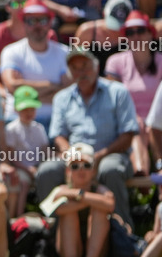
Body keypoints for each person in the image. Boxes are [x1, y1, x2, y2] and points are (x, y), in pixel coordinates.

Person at [37, 46, 139, 227]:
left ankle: (122, 229)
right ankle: (50, 228)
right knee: (48, 170)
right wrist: (72, 156)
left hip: (110, 154)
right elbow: (58, 136)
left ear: (96, 67)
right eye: (75, 68)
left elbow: (128, 135)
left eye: (84, 66)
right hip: (74, 157)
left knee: (110, 168)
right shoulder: (62, 97)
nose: (81, 72)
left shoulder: (118, 92)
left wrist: (99, 156)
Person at [105, 10, 162, 176]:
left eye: (140, 30)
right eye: (130, 32)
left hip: (159, 123)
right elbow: (113, 100)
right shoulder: (115, 62)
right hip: (128, 123)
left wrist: (152, 122)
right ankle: (142, 174)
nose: (136, 36)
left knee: (150, 127)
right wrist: (134, 118)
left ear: (150, 34)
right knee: (136, 127)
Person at [0, 0, 72, 126]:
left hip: (56, 122)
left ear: (50, 22)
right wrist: (52, 86)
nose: (37, 25)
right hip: (18, 122)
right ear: (24, 23)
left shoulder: (64, 52)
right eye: (31, 21)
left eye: (42, 20)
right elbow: (12, 86)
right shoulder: (11, 51)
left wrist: (26, 95)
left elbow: (68, 92)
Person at [41, 143, 114, 257]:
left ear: (93, 170)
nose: (81, 170)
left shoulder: (99, 189)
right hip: (67, 248)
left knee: (100, 212)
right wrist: (91, 200)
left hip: (98, 250)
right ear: (68, 171)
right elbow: (58, 209)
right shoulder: (63, 189)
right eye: (75, 166)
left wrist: (78, 195)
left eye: (86, 165)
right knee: (69, 213)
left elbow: (110, 204)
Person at [3, 86, 51, 219]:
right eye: (25, 109)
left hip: (38, 167)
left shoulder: (39, 128)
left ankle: (46, 214)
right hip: (21, 167)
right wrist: (28, 169)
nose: (28, 113)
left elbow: (45, 151)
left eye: (31, 109)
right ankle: (19, 217)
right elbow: (11, 156)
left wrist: (42, 165)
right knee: (23, 182)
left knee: (48, 176)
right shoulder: (11, 129)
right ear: (16, 109)